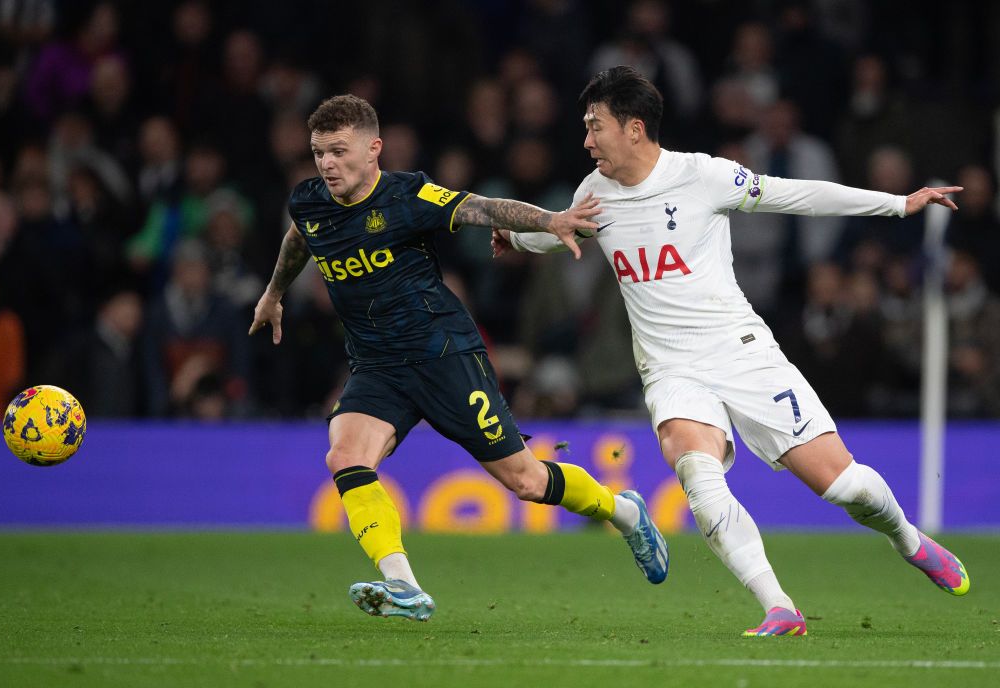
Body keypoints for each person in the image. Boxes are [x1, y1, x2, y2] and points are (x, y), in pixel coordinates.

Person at [492, 66, 969, 637]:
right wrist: (518, 236)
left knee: (845, 487)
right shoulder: (592, 193)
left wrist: (896, 204)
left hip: (741, 353)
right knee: (697, 471)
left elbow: (796, 196)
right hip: (669, 369)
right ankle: (779, 606)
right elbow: (562, 229)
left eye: (596, 126)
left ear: (635, 128)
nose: (587, 140)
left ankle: (910, 540)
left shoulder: (702, 177)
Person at [249, 94, 668, 622]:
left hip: (444, 355)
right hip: (378, 366)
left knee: (526, 481)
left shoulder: (408, 196)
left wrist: (551, 220)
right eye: (318, 153)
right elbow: (300, 238)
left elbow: (484, 208)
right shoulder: (310, 202)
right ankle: (402, 585)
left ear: (374, 149)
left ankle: (624, 511)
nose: (327, 164)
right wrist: (273, 294)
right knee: (345, 457)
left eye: (338, 151)